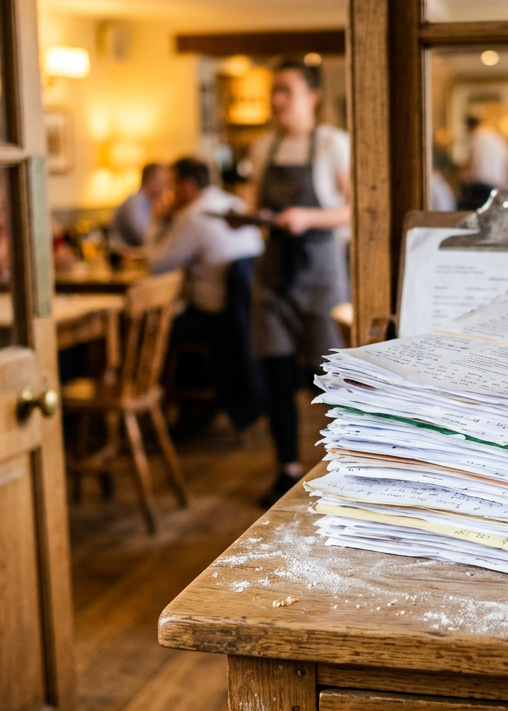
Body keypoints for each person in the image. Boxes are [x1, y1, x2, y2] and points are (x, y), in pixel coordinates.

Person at [245, 59, 352, 506]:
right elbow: (253, 203)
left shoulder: (332, 143)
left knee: (327, 375)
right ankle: (286, 466)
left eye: (286, 90)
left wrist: (308, 216)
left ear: (313, 96)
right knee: (274, 371)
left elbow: (355, 209)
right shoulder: (262, 147)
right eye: (274, 91)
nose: (277, 101)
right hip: (273, 270)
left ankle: (345, 465)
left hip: (320, 268)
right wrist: (245, 216)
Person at [150, 157, 266, 431]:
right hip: (244, 316)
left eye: (172, 186)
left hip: (216, 319)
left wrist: (157, 220)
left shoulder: (194, 214)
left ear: (188, 186)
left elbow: (156, 264)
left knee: (159, 329)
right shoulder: (234, 204)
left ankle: (181, 410)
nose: (169, 194)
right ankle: (201, 406)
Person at [110, 162, 171, 248]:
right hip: (123, 257)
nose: (167, 187)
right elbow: (143, 238)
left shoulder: (150, 202)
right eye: (164, 182)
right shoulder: (135, 203)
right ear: (151, 180)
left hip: (138, 254)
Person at [465, 115, 508, 188]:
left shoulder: (478, 136)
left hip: (484, 180)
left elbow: (476, 160)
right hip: (499, 177)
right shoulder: (493, 134)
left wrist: (468, 176)